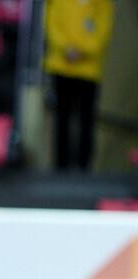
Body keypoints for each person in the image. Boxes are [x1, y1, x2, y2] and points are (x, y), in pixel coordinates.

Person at [44, 0, 114, 170]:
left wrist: (83, 50)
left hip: (89, 70)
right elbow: (52, 25)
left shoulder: (103, 4)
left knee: (86, 118)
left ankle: (84, 165)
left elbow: (103, 32)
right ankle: (61, 164)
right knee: (62, 116)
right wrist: (66, 48)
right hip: (62, 66)